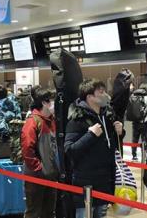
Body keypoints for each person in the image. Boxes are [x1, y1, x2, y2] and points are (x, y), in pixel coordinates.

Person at [65, 79, 123, 218]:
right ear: (90, 97)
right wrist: (90, 135)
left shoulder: (107, 117)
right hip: (86, 184)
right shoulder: (77, 119)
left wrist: (119, 133)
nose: (105, 95)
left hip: (104, 182)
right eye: (101, 92)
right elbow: (69, 150)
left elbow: (110, 146)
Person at [21, 87, 57, 218]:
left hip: (50, 174)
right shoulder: (33, 121)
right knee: (34, 212)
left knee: (49, 211)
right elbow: (27, 149)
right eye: (52, 100)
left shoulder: (51, 120)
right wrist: (38, 168)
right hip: (36, 175)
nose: (54, 103)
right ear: (44, 102)